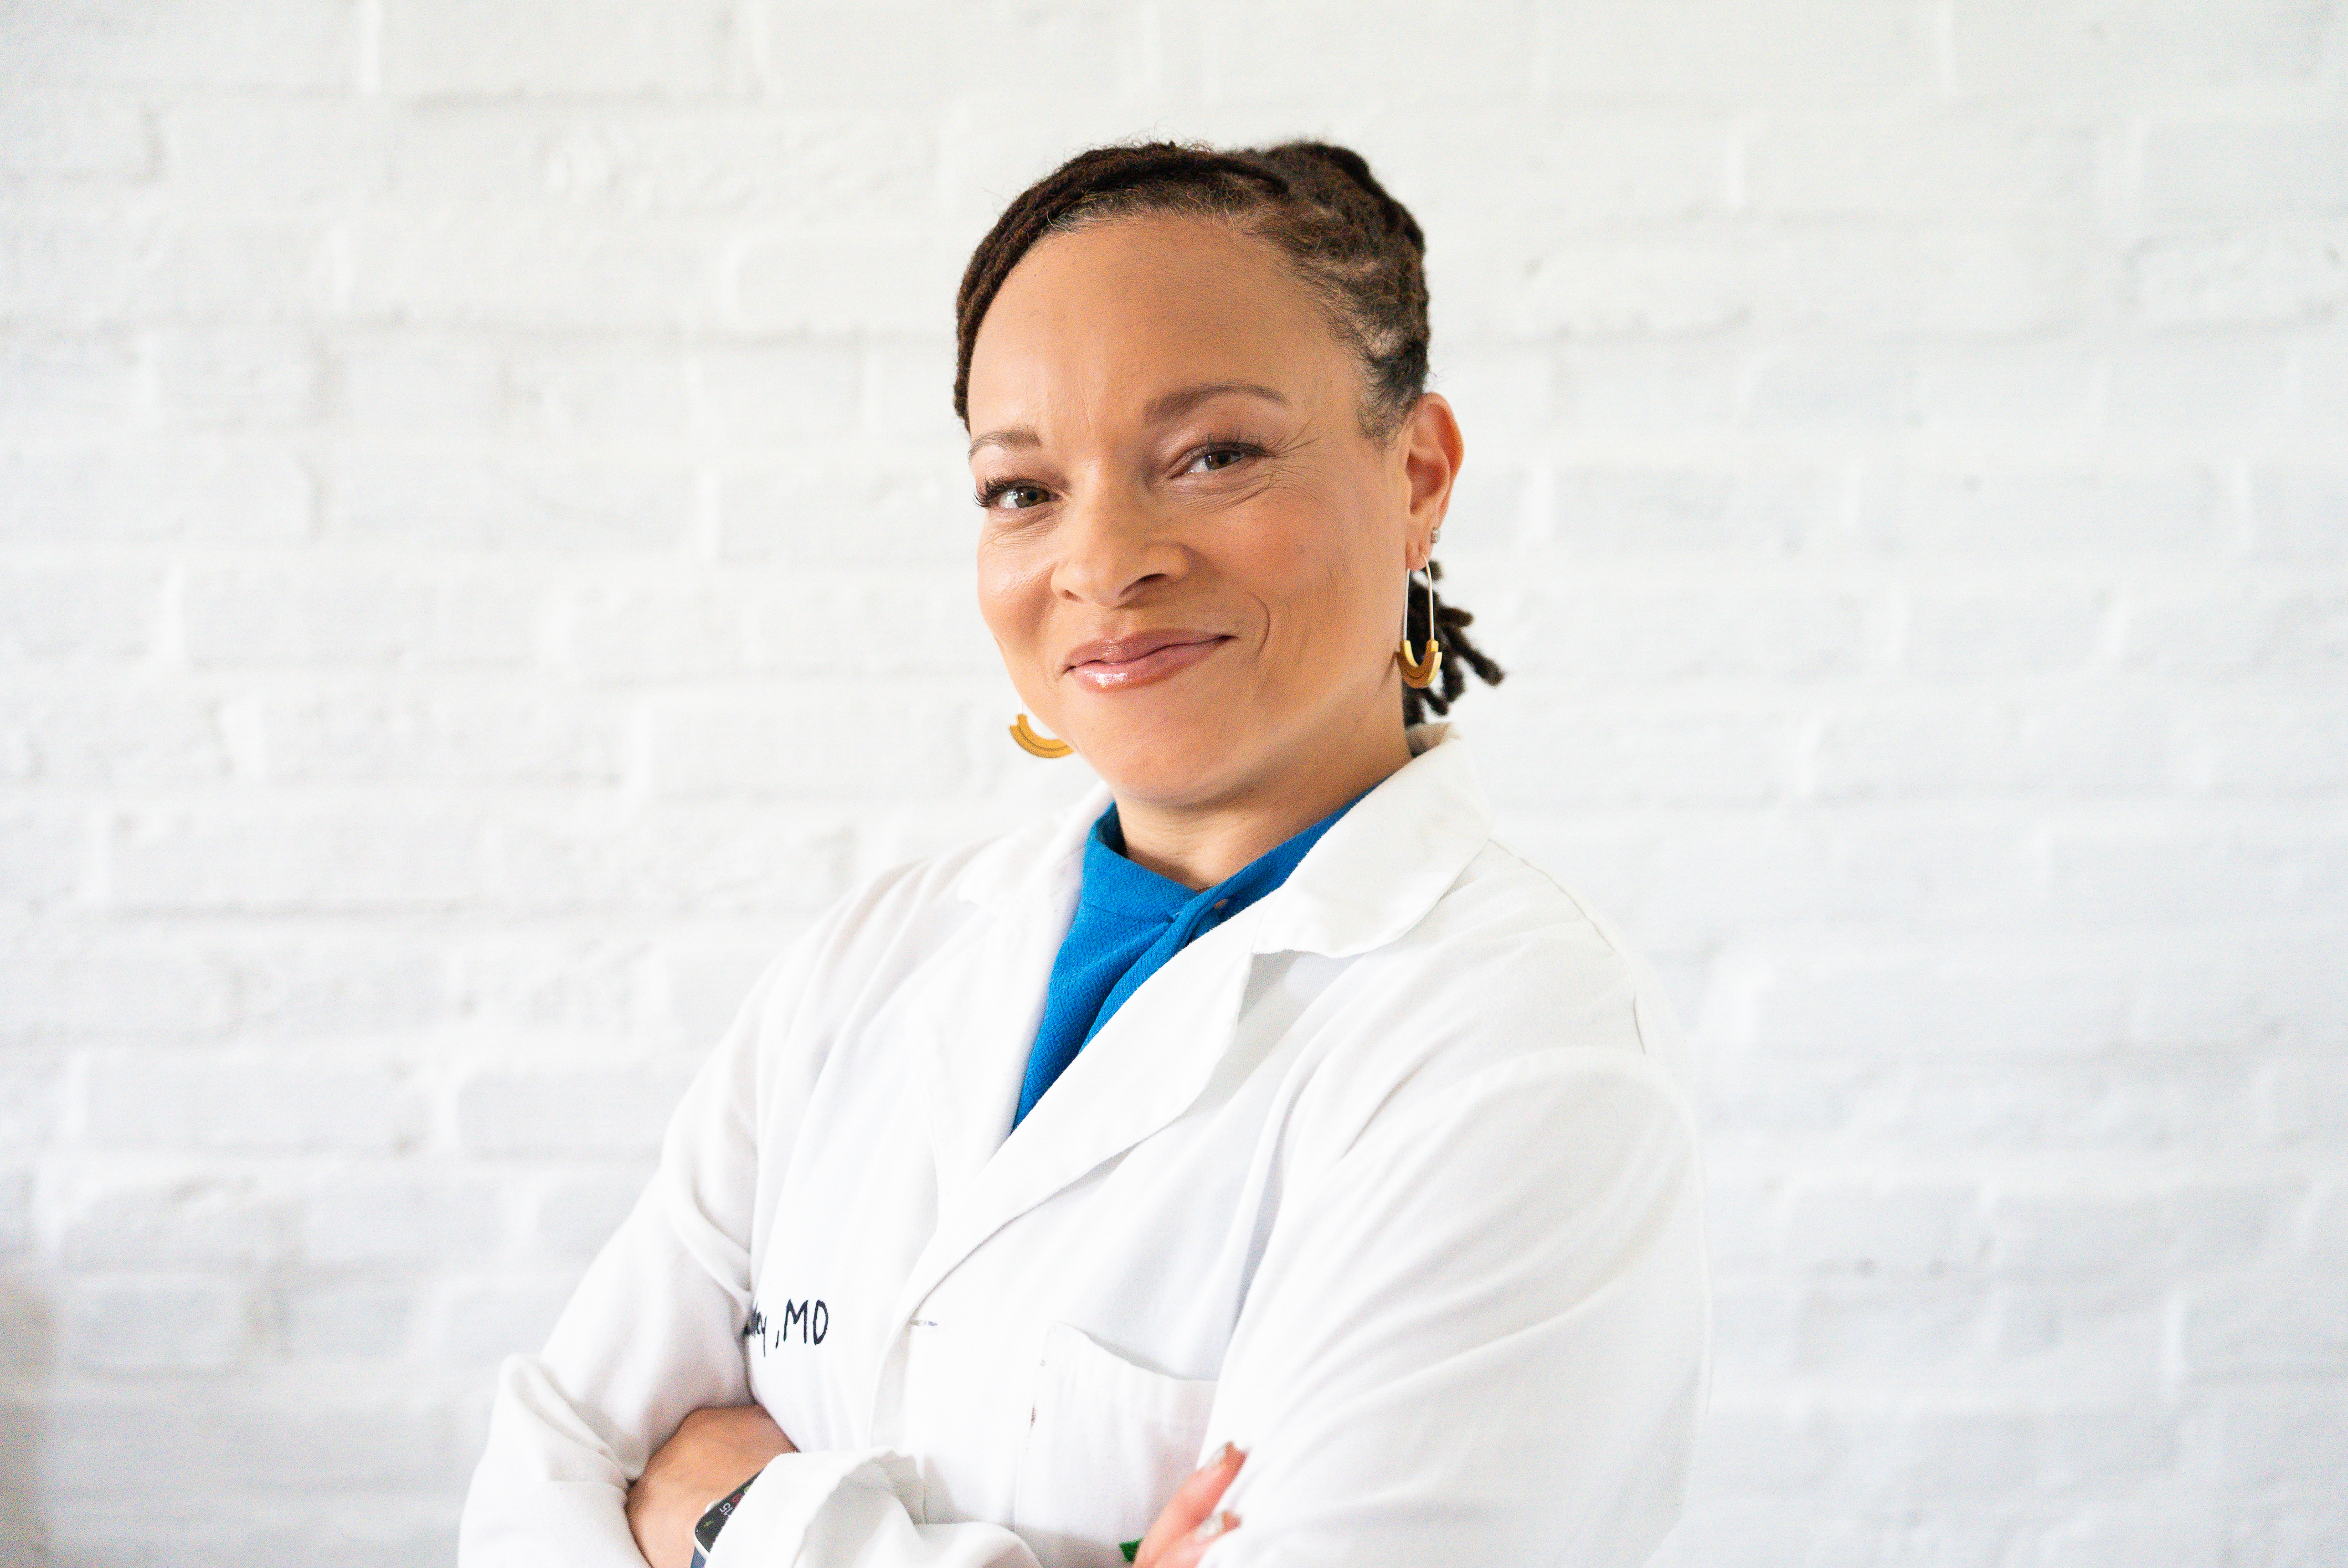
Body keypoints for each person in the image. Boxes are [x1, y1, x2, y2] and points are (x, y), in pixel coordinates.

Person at [459, 140, 1708, 1568]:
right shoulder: (877, 956)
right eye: (1022, 489)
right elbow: (543, 1481)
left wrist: (739, 1513)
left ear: (1419, 475)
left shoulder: (1524, 1045)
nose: (1104, 559)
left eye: (1215, 456)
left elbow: (641, 1488)